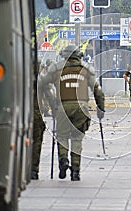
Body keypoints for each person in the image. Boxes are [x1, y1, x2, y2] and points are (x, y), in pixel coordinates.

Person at [39, 45, 105, 181]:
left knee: (62, 136)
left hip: (63, 107)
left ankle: (63, 160)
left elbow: (41, 82)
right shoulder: (86, 69)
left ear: (64, 55)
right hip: (82, 107)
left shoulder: (56, 68)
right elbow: (97, 90)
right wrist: (100, 107)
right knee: (77, 138)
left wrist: (51, 100)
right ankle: (76, 171)